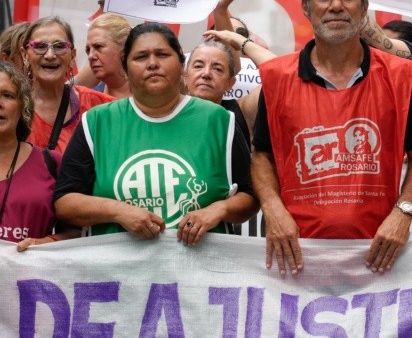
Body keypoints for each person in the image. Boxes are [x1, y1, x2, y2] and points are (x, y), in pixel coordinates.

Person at [253, 0, 412, 276]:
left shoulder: (401, 76)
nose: (336, 5)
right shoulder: (277, 77)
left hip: (382, 258)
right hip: (299, 260)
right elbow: (262, 155)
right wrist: (272, 208)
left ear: (364, 7)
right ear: (306, 6)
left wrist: (403, 212)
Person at [53, 23, 258, 245]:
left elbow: (250, 196)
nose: (152, 64)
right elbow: (65, 202)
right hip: (118, 275)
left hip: (202, 275)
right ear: (125, 69)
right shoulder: (96, 122)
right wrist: (118, 212)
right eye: (141, 57)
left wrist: (219, 209)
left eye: (162, 54)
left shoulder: (220, 120)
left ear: (181, 66)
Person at [0, 63, 79, 251]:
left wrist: (45, 243)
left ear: (23, 106)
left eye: (7, 95)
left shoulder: (51, 163)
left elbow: (79, 233)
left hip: (30, 277)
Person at [22, 16, 115, 153]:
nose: (50, 55)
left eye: (59, 46)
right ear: (25, 56)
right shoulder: (12, 109)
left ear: (72, 56)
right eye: (40, 46)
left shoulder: (100, 106)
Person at [184, 40, 251, 149]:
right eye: (198, 66)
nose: (206, 74)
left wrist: (241, 41)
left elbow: (279, 77)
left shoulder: (239, 114)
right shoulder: (164, 112)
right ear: (185, 77)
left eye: (217, 69)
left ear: (230, 83)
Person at [84, 14, 131, 98]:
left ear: (124, 48)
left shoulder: (155, 97)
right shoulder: (88, 100)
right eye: (88, 50)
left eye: (98, 46)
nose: (90, 56)